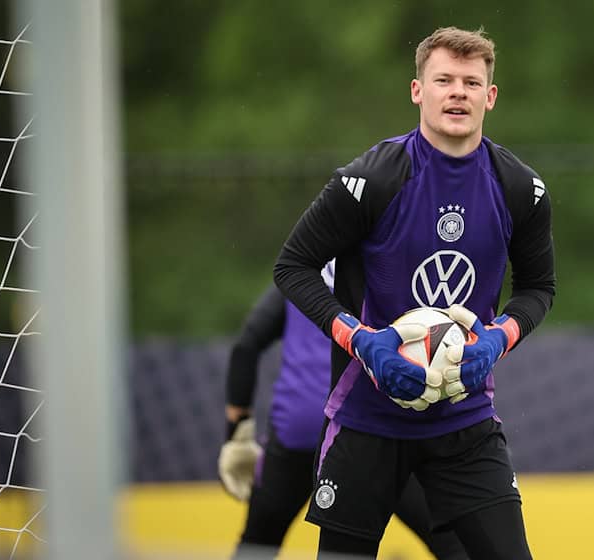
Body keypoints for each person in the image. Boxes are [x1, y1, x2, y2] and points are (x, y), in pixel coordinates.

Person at [272, 26, 555, 559]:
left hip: (463, 420)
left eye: (472, 82)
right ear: (416, 91)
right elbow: (294, 266)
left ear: (490, 97)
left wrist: (495, 340)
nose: (458, 92)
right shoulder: (368, 180)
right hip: (366, 419)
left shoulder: (521, 189)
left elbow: (539, 288)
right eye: (443, 79)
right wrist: (363, 341)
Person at [219, 261, 468, 559]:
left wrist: (237, 434)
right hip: (373, 431)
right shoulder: (393, 273)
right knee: (452, 544)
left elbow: (246, 347)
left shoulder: (297, 277)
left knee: (257, 546)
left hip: (299, 431)